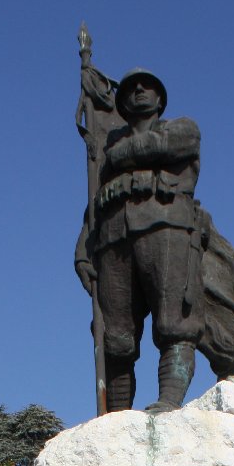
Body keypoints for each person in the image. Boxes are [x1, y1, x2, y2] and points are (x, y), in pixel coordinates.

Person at [76, 69, 204, 413]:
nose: (140, 91)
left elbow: (167, 145)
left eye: (148, 87)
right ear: (122, 103)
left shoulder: (182, 129)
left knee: (174, 324)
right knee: (114, 339)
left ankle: (169, 401)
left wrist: (115, 155)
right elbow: (94, 208)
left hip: (166, 228)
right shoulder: (105, 159)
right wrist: (82, 250)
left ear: (160, 100)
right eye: (132, 88)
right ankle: (116, 419)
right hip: (112, 241)